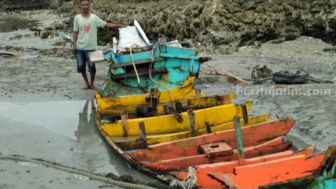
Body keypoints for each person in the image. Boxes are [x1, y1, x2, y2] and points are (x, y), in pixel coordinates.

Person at [73, 0, 125, 90]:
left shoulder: (94, 18)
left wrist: (119, 25)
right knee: (81, 67)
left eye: (86, 5)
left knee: (92, 68)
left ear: (89, 6)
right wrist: (74, 45)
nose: (85, 6)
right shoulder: (77, 18)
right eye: (83, 5)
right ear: (80, 6)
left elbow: (106, 24)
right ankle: (87, 84)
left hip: (91, 48)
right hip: (79, 47)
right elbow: (75, 32)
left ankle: (92, 84)